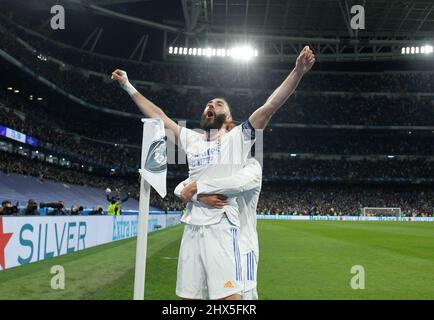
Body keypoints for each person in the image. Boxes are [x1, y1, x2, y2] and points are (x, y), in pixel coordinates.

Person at [111, 46, 315, 300]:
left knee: (229, 300)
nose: (211, 104)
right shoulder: (191, 140)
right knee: (188, 300)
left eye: (218, 104)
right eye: (209, 103)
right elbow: (160, 116)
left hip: (222, 227)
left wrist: (297, 72)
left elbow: (269, 107)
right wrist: (128, 86)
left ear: (228, 118)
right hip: (192, 226)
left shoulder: (238, 138)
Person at [175, 157, 262, 299]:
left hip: (243, 246)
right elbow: (180, 188)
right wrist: (199, 196)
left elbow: (235, 184)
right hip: (215, 240)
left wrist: (196, 187)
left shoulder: (252, 166)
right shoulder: (219, 167)